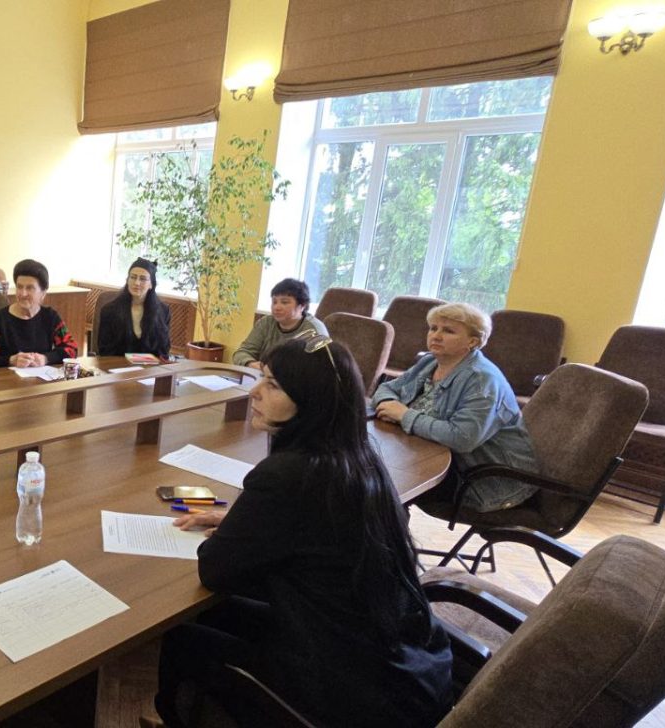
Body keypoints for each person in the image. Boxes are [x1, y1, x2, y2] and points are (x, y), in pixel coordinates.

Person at [156, 336, 453, 728]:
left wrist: (248, 529)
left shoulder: (287, 474)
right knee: (219, 613)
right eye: (261, 378)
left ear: (311, 401)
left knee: (182, 638)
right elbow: (314, 532)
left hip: (350, 693)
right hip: (401, 664)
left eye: (273, 385)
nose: (255, 392)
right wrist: (246, 522)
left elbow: (215, 571)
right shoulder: (359, 458)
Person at [372, 302, 537, 512]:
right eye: (433, 328)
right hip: (434, 457)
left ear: (473, 341)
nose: (436, 336)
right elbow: (386, 388)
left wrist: (404, 415)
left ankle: (387, 532)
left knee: (376, 484)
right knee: (365, 471)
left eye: (448, 331)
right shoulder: (430, 362)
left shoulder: (482, 380)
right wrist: (388, 403)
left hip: (481, 481)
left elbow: (462, 438)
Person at [0, 258, 77, 369]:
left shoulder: (50, 317)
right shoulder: (0, 319)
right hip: (7, 378)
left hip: (41, 378)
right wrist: (11, 360)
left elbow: (72, 349)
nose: (23, 293)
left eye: (30, 288)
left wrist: (46, 358)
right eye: (19, 287)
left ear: (43, 293)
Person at [232, 278, 328, 369]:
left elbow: (319, 369)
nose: (277, 307)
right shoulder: (265, 323)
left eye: (284, 302)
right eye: (274, 302)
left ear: (302, 305)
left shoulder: (314, 330)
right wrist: (251, 363)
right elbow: (242, 352)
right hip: (261, 375)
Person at [95, 257, 171, 358]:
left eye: (143, 279)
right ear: (127, 280)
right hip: (118, 365)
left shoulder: (163, 311)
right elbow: (105, 350)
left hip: (150, 366)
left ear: (151, 284)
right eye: (133, 277)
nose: (137, 283)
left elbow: (163, 350)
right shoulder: (109, 310)